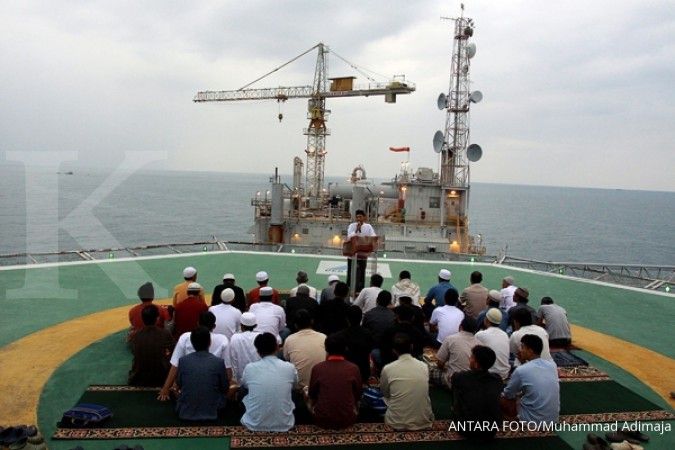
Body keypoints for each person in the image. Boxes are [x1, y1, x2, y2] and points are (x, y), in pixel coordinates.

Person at [158, 311, 229, 401]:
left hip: (189, 387)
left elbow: (175, 366)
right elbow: (227, 372)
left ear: (198, 323)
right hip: (212, 388)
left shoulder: (185, 337)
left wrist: (166, 388)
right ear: (214, 326)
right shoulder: (223, 339)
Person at [241, 333, 298, 432]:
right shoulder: (289, 367)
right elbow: (295, 386)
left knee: (244, 391)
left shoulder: (250, 368)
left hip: (254, 424)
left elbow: (245, 386)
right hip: (285, 424)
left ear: (258, 351)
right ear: (277, 348)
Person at [380, 333, 434, 430]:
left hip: (395, 422)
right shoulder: (424, 366)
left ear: (394, 351)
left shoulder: (388, 369)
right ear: (411, 347)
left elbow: (385, 393)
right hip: (423, 420)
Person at [502, 334, 560, 424]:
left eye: (523, 347)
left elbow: (508, 394)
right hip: (553, 420)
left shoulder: (521, 370)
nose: (520, 350)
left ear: (530, 351)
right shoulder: (552, 365)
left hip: (531, 421)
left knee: (501, 399)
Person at [308, 334, 362, 429]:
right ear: (345, 349)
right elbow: (358, 395)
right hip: (348, 419)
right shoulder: (353, 368)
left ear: (326, 349)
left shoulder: (318, 368)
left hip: (321, 420)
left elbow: (312, 394)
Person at [451, 345, 503, 440]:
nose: (469, 359)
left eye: (471, 357)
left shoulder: (460, 377)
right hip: (491, 429)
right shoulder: (497, 379)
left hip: (466, 429)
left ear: (475, 363)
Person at [176, 326, 228, 421]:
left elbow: (179, 384)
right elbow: (224, 387)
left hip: (186, 411)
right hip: (214, 410)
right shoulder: (218, 362)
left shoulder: (183, 361)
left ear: (192, 342)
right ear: (210, 343)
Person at [128, 304, 173, 386]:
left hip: (139, 377)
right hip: (161, 377)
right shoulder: (165, 333)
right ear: (157, 318)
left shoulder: (135, 335)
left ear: (142, 319)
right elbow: (173, 351)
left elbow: (134, 352)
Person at [282, 310, 327, 389]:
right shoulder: (323, 337)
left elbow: (286, 358)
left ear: (295, 325)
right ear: (312, 321)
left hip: (300, 387)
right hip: (320, 385)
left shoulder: (290, 339)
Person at [334, 305, 375, 383]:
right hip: (363, 372)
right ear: (361, 318)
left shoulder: (340, 336)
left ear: (347, 319)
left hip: (344, 373)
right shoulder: (368, 334)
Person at [436, 317, 479, 388]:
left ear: (460, 326)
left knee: (428, 369)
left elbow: (440, 363)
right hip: (471, 383)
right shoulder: (479, 343)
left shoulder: (450, 339)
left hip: (453, 381)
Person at [345, 209, 377, 293]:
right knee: (351, 273)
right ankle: (348, 289)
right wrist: (356, 230)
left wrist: (370, 238)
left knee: (362, 273)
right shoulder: (352, 226)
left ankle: (360, 290)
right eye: (357, 217)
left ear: (364, 217)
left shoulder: (368, 226)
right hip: (352, 255)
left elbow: (373, 235)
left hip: (363, 255)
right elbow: (349, 237)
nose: (358, 218)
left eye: (360, 217)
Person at [227, 312, 261, 388]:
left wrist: (235, 381)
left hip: (240, 382)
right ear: (255, 325)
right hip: (259, 379)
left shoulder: (235, 338)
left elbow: (233, 360)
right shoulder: (260, 336)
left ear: (241, 326)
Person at [474, 308, 510, 380]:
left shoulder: (480, 334)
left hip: (488, 375)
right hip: (504, 375)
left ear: (486, 320)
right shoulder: (505, 335)